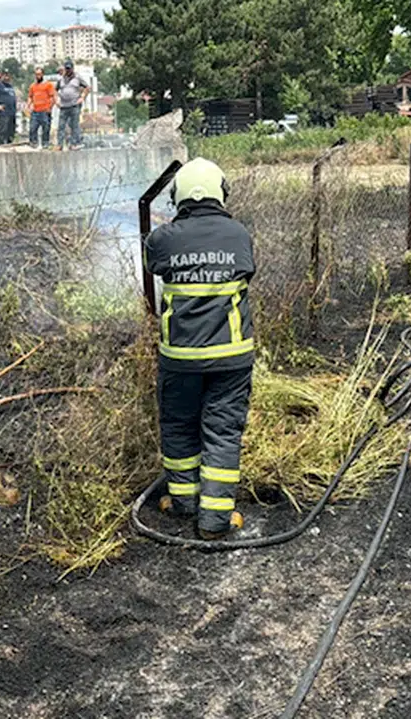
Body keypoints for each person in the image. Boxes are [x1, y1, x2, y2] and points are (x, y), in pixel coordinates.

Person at [142, 158, 255, 540]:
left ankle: (183, 503)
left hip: (180, 358)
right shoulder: (238, 234)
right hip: (231, 356)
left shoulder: (162, 239)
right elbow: (246, 271)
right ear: (219, 193)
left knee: (178, 426)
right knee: (222, 432)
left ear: (179, 196)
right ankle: (214, 520)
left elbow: (154, 262)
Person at [55, 59, 90, 150]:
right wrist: (56, 101)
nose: (68, 71)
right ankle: (59, 144)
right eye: (66, 69)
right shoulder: (61, 79)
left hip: (74, 105)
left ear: (72, 69)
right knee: (61, 125)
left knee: (74, 125)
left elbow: (87, 87)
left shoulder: (78, 78)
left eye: (69, 69)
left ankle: (74, 143)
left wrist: (82, 97)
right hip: (64, 106)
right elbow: (55, 90)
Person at [27, 67, 56, 148]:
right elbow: (30, 96)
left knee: (46, 129)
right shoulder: (33, 86)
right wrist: (28, 106)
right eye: (36, 74)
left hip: (45, 111)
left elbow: (52, 97)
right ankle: (33, 143)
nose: (38, 76)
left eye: (39, 74)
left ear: (42, 74)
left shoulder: (48, 85)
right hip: (35, 111)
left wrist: (50, 107)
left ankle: (45, 143)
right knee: (33, 128)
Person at [0, 70, 18, 145]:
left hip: (12, 112)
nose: (6, 77)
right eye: (5, 75)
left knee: (11, 131)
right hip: (4, 112)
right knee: (3, 131)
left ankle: (9, 144)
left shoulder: (10, 86)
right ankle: (0, 145)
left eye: (8, 75)